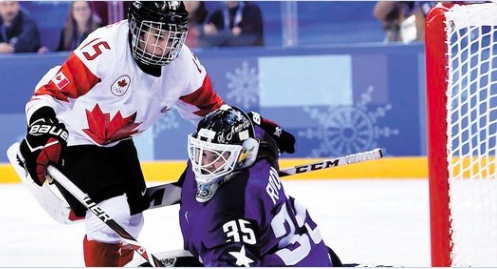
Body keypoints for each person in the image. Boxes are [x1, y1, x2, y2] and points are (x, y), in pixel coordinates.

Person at [17, 1, 294, 267]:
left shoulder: (183, 65)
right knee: (113, 212)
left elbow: (213, 113)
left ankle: (109, 256)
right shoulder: (106, 49)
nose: (164, 48)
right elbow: (49, 93)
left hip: (116, 140)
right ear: (136, 28)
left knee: (134, 218)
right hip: (74, 134)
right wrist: (42, 129)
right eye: (156, 36)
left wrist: (251, 128)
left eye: (171, 38)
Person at [177, 105, 340, 266]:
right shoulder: (259, 146)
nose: (204, 164)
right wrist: (271, 128)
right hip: (308, 247)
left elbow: (231, 258)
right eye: (202, 152)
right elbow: (252, 123)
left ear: (242, 154)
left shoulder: (236, 204)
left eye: (216, 155)